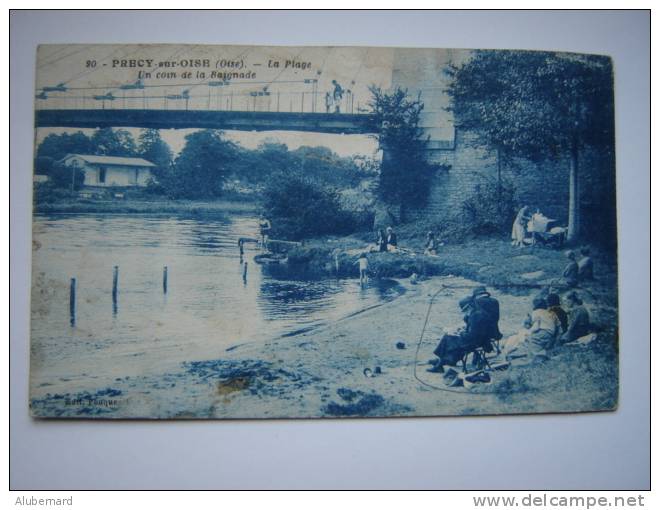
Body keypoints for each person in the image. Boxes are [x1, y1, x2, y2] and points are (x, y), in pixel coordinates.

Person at [428, 296, 491, 373]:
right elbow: (473, 330)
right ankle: (442, 361)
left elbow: (472, 335)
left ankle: (441, 363)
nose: (465, 312)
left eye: (465, 310)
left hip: (477, 342)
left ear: (470, 306)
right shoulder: (477, 312)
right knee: (449, 338)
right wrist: (462, 331)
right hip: (480, 340)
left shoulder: (476, 316)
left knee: (448, 338)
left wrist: (460, 333)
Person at [472, 286, 502, 350]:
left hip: (482, 334)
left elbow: (476, 319)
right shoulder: (495, 301)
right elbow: (497, 317)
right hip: (495, 332)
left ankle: (477, 354)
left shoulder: (477, 302)